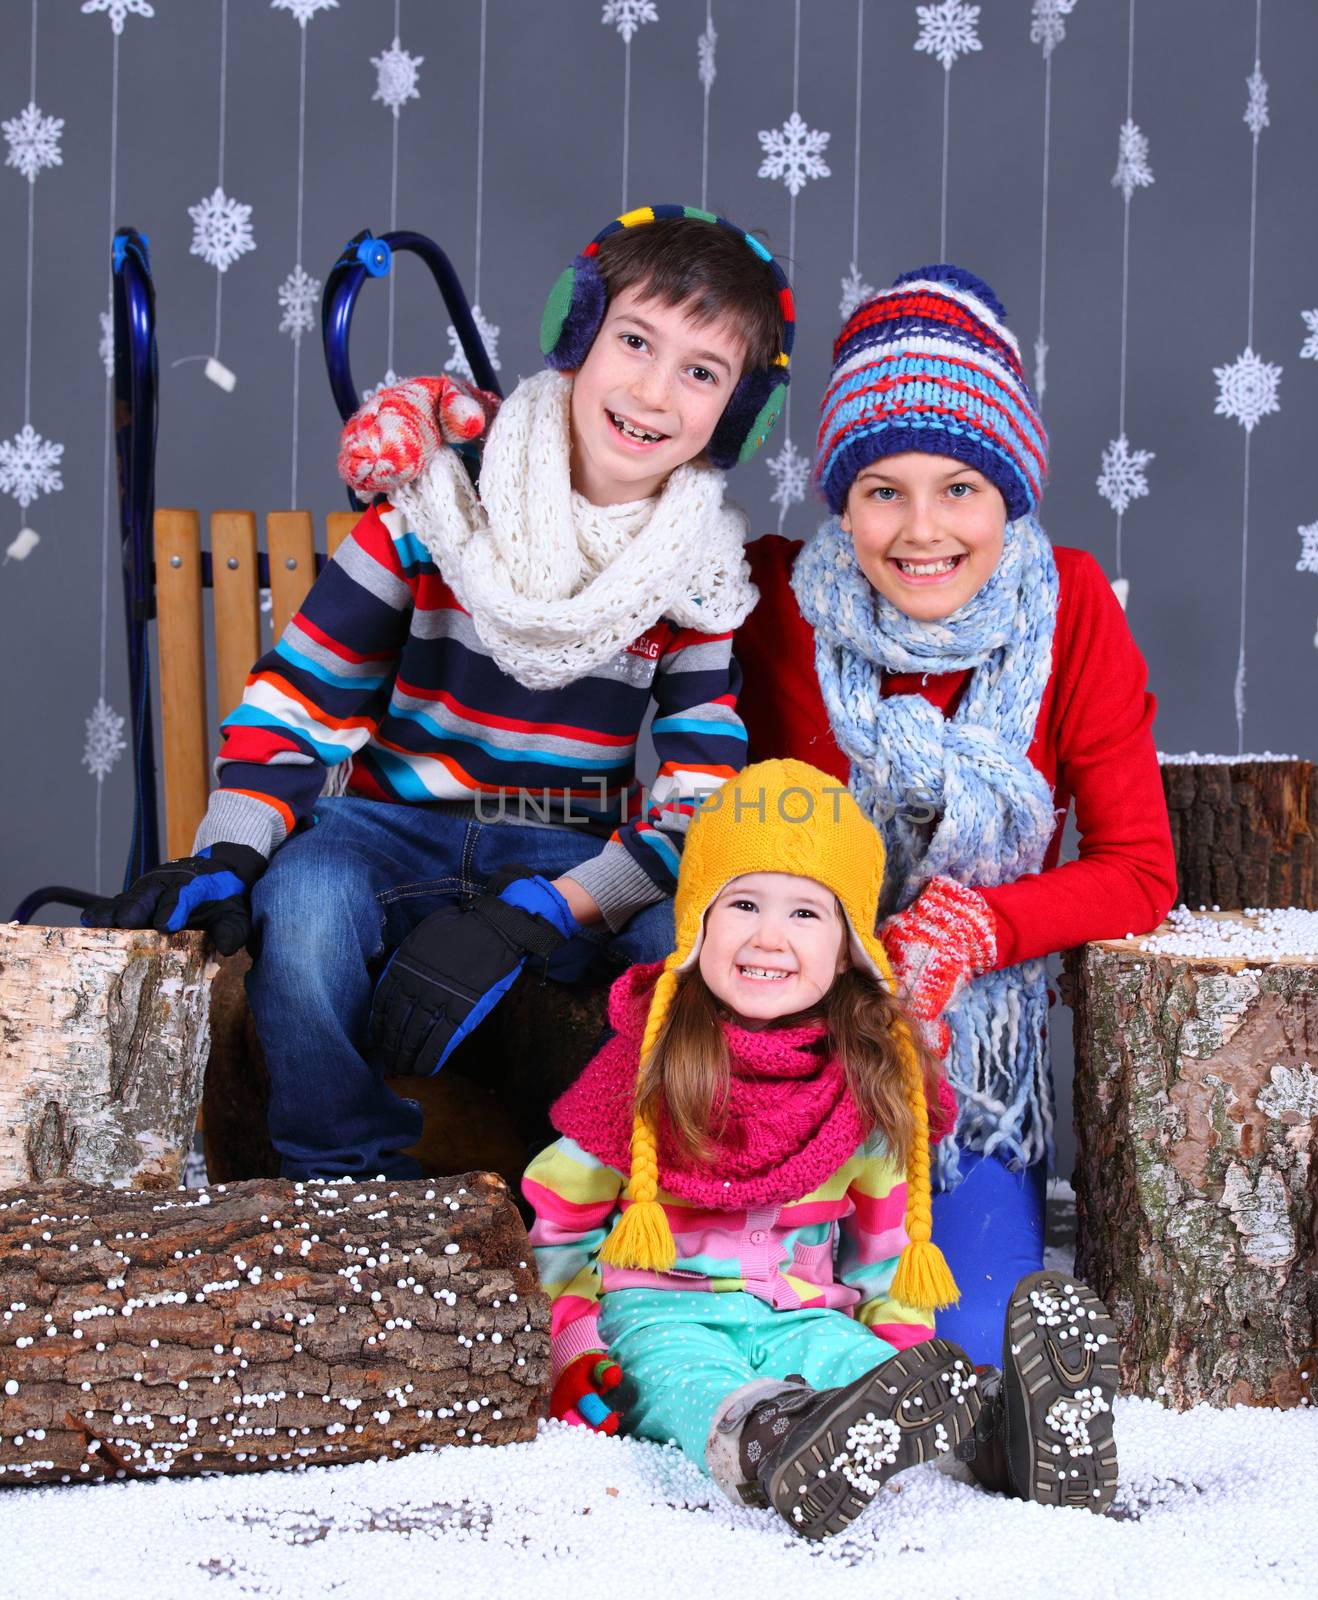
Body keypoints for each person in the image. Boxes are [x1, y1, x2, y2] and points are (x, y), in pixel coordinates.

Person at [84, 205, 795, 1180]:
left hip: (562, 843)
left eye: (701, 372)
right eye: (634, 341)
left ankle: (618, 1177)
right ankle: (340, 1171)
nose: (653, 389)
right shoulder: (435, 507)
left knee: (689, 931)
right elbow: (296, 702)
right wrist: (231, 853)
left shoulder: (698, 575)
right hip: (388, 826)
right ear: (580, 338)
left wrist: (546, 910)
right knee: (309, 899)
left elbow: (696, 800)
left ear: (735, 412)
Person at [733, 267, 1177, 1365]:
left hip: (966, 1067)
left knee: (968, 1341)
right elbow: (616, 509)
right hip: (785, 1039)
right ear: (840, 498)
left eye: (960, 488)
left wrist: (972, 927)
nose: (920, 530)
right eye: (881, 489)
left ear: (1010, 490)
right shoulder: (772, 597)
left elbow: (1137, 870)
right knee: (777, 1328)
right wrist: (466, 442)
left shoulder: (1069, 608)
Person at [525, 759, 1121, 1540]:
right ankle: (773, 1441)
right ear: (697, 921)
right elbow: (558, 1219)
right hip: (660, 1311)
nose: (769, 937)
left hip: (803, 1310)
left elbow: (883, 1248)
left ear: (849, 947)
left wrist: (907, 1356)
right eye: (742, 903)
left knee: (856, 1365)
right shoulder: (651, 1057)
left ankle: (1000, 1437)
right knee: (684, 1381)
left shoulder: (866, 1074)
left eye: (807, 914)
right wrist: (572, 1340)